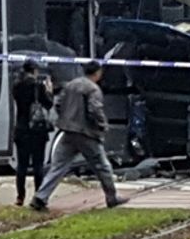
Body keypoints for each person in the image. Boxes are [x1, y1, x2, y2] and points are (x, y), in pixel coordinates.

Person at [29, 61, 128, 211]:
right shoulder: (93, 89)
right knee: (102, 166)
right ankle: (112, 197)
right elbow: (95, 109)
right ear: (98, 73)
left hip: (67, 131)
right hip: (85, 133)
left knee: (58, 166)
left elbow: (58, 103)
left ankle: (40, 198)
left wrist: (65, 118)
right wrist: (102, 125)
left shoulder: (71, 85)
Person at [12, 60, 54, 206]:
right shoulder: (38, 87)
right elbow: (48, 104)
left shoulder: (17, 86)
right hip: (37, 131)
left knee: (21, 165)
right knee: (38, 165)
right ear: (35, 71)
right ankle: (39, 195)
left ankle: (20, 196)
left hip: (21, 129)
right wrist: (49, 91)